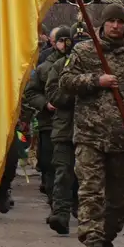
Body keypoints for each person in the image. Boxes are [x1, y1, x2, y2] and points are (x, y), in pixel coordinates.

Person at [59, 4, 124, 247]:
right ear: (103, 24)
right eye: (111, 21)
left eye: (120, 22)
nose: (115, 26)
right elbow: (65, 82)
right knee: (91, 193)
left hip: (123, 139)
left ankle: (107, 239)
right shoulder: (85, 51)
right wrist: (95, 80)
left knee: (117, 199)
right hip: (89, 136)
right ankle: (92, 244)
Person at [22, 27, 65, 199]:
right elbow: (31, 92)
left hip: (73, 122)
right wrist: (45, 104)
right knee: (48, 161)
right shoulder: (44, 66)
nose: (64, 44)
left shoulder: (80, 62)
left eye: (66, 40)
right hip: (48, 122)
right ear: (54, 43)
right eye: (60, 40)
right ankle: (52, 194)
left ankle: (68, 199)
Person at [44, 26, 79, 234]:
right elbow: (53, 94)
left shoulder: (100, 65)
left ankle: (85, 213)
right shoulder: (59, 66)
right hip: (65, 128)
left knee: (88, 176)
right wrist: (79, 93)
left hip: (94, 130)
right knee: (63, 172)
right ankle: (61, 214)